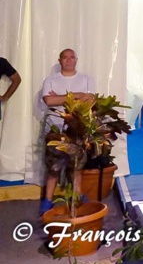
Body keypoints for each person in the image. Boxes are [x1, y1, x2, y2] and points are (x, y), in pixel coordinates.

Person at [39, 49, 96, 214]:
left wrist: (62, 98)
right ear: (60, 60)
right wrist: (77, 95)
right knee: (53, 167)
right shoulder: (50, 80)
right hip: (55, 129)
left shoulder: (86, 79)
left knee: (76, 166)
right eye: (65, 57)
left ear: (76, 60)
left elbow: (90, 100)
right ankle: (47, 201)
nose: (69, 60)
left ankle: (77, 198)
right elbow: (49, 100)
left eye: (72, 57)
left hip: (77, 129)